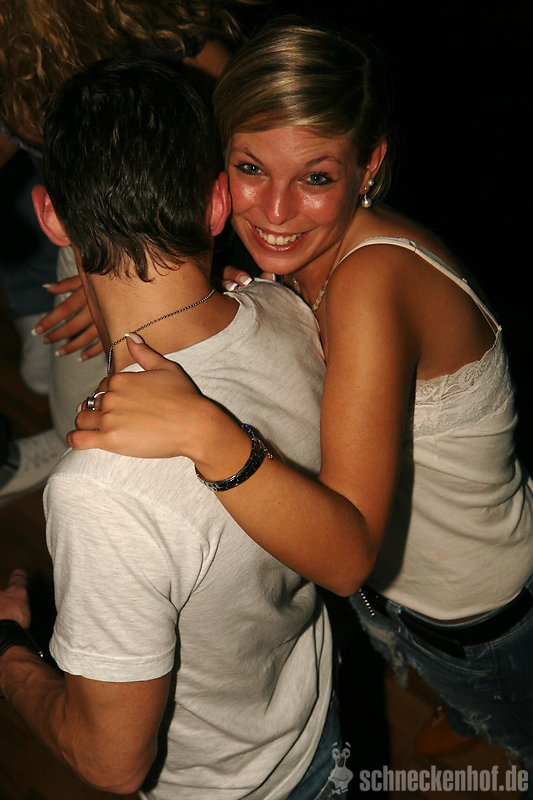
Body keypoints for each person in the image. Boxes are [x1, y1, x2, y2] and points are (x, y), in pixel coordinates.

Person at [70, 17, 533, 790]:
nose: (276, 212)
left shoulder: (371, 280)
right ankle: (463, 709)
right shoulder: (296, 259)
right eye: (251, 168)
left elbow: (346, 557)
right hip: (406, 607)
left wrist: (204, 432)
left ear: (367, 166)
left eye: (315, 178)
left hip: (477, 619)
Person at [0, 57, 337, 798]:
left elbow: (112, 763)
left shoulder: (100, 493)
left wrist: (11, 654)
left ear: (52, 217)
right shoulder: (290, 312)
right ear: (218, 203)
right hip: (314, 713)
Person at [0, 0, 249, 508]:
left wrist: (142, 267)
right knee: (75, 420)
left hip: (193, 248)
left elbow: (272, 176)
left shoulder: (173, 42)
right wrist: (98, 271)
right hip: (84, 254)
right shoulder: (16, 64)